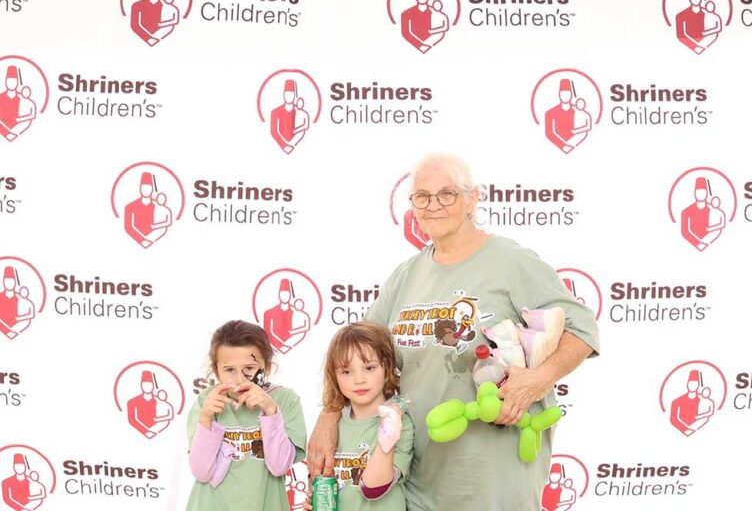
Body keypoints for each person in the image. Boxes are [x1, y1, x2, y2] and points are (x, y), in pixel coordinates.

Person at [307, 154, 600, 510]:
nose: (433, 205)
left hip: (494, 472)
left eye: (446, 194)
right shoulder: (406, 276)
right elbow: (353, 355)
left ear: (472, 199)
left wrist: (538, 379)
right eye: (422, 196)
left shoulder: (510, 261)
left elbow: (582, 328)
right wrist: (328, 415)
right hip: (422, 474)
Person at [186, 320, 306, 510]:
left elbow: (279, 466)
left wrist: (270, 411)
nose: (240, 379)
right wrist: (206, 420)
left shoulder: (285, 400)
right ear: (217, 371)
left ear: (266, 367)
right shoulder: (207, 401)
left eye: (249, 369)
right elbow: (202, 472)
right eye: (229, 370)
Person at [304, 322, 414, 510]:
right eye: (346, 372)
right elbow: (318, 482)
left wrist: (388, 435)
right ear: (335, 376)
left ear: (386, 367)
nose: (359, 380)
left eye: (369, 368)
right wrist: (313, 501)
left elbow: (373, 488)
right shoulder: (331, 427)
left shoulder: (400, 422)